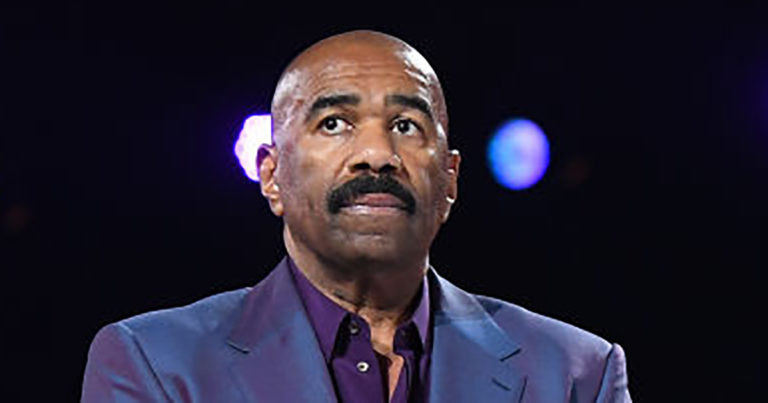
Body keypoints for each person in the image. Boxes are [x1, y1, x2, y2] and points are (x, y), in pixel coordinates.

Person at [81, 30, 631, 403]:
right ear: (271, 175)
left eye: (406, 126)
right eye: (334, 123)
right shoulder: (156, 365)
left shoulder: (577, 374)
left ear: (449, 181)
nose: (377, 154)